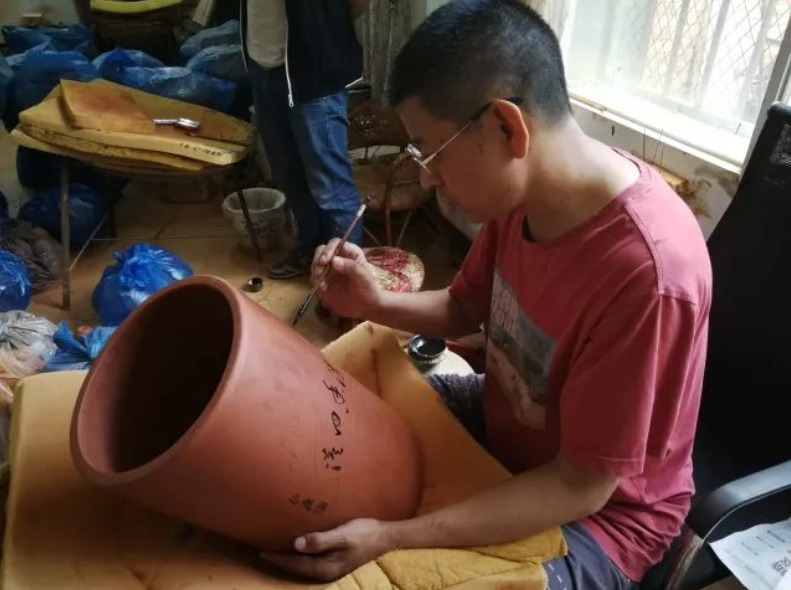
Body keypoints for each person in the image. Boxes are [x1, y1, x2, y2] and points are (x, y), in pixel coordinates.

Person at [259, 0, 712, 588]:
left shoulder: (648, 275)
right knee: (339, 414)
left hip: (602, 515)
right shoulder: (522, 196)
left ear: (506, 127)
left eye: (431, 152)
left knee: (384, 573)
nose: (427, 179)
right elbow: (464, 307)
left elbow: (579, 485)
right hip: (505, 419)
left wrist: (392, 537)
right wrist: (372, 303)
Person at [244, 0, 368, 279]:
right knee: (289, 175)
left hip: (315, 71)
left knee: (331, 187)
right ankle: (310, 250)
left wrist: (323, 26)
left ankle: (346, 281)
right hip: (263, 67)